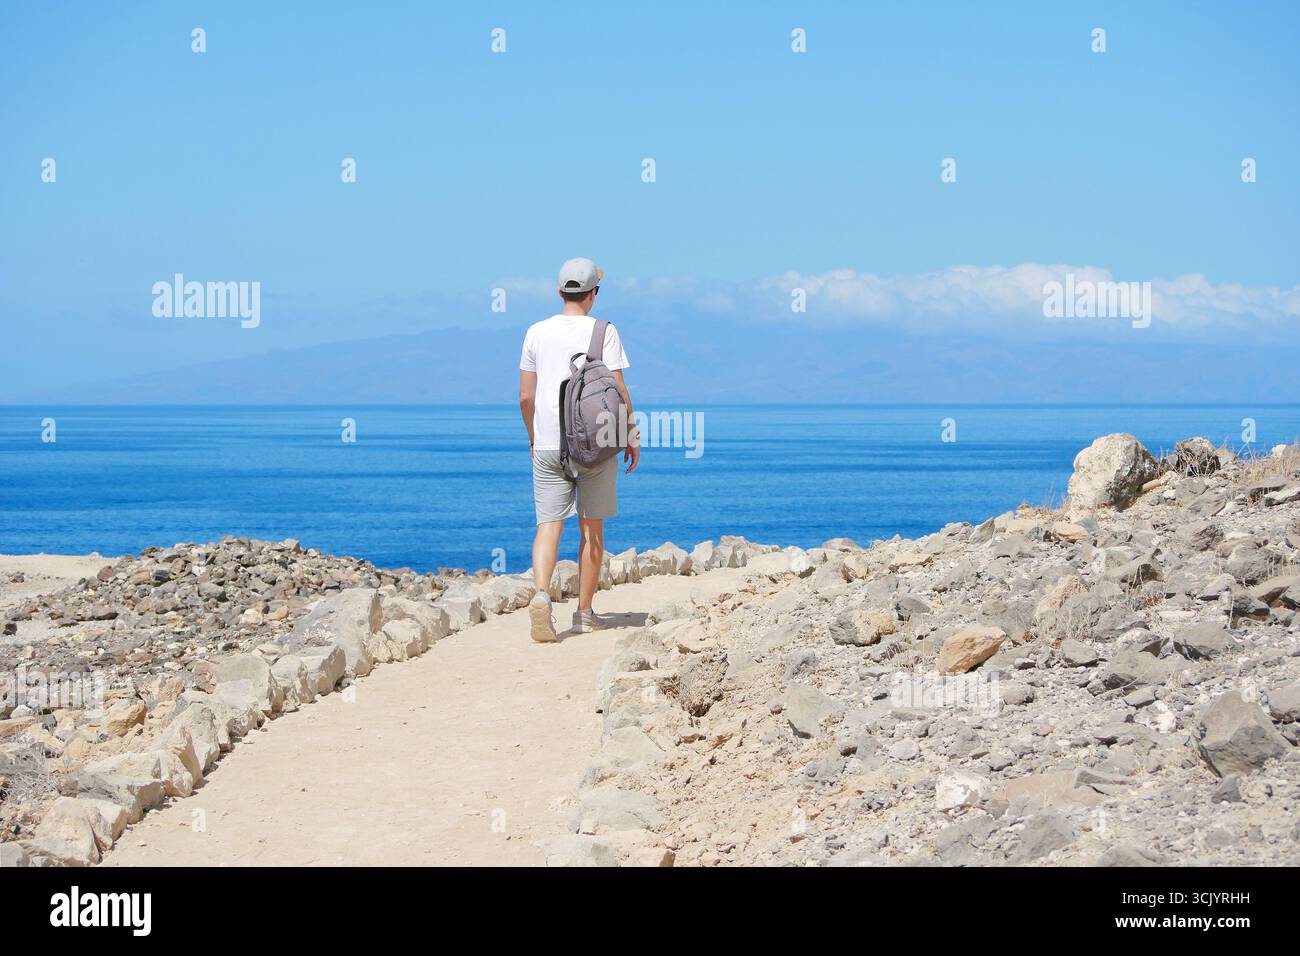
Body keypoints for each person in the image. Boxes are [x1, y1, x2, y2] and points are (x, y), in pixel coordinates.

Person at [518, 258, 640, 642]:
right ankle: (584, 614)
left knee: (548, 526)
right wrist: (629, 435)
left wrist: (534, 437)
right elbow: (617, 392)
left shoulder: (536, 332)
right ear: (594, 294)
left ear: (559, 292)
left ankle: (541, 594)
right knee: (592, 531)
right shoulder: (604, 331)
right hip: (595, 444)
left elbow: (526, 396)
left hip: (549, 444)